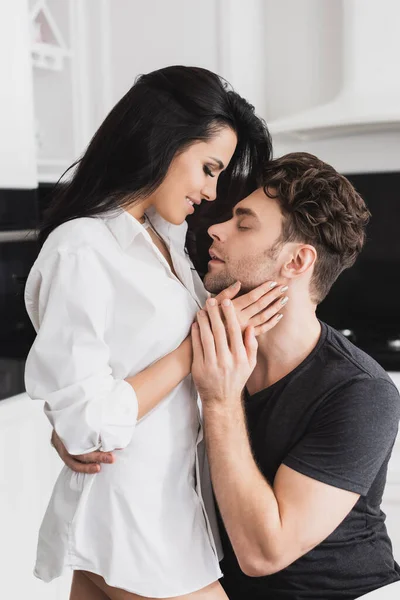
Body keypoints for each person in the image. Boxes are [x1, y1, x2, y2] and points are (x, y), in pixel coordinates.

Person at [58, 153, 400, 599]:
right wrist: (75, 435)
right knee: (95, 568)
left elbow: (263, 554)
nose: (216, 228)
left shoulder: (361, 392)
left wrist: (220, 399)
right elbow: (106, 404)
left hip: (343, 593)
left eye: (244, 223)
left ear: (297, 261)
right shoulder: (199, 334)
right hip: (216, 582)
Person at [24, 65, 284, 600]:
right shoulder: (83, 247)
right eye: (208, 168)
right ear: (164, 142)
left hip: (161, 513)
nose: (211, 190)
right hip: (133, 522)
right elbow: (87, 423)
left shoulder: (166, 245)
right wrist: (196, 349)